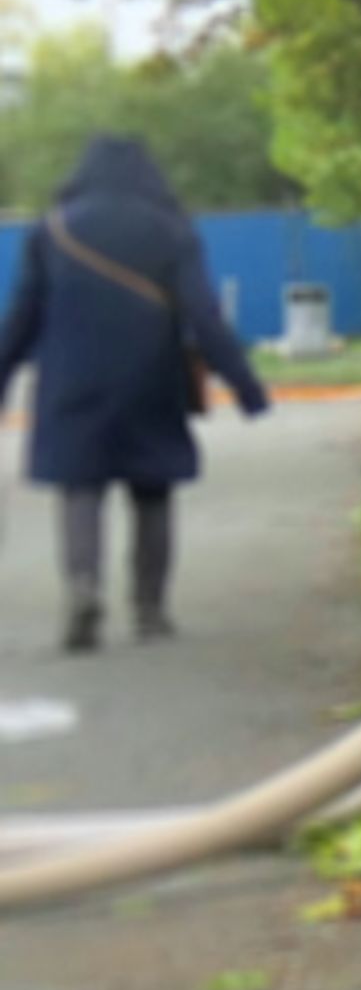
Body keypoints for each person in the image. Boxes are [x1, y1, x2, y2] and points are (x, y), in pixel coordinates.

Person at [0, 135, 270, 650]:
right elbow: (204, 317)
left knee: (80, 488)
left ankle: (83, 587)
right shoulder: (169, 230)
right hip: (150, 378)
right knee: (153, 490)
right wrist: (246, 388)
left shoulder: (52, 230)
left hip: (71, 382)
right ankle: (149, 611)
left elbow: (19, 320)